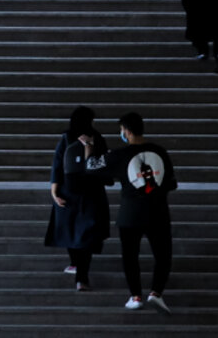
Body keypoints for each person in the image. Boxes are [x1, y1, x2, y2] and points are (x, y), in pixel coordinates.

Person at [84, 111, 177, 312]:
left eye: (122, 130)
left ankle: (135, 296)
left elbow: (90, 166)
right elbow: (172, 183)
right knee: (163, 255)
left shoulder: (120, 155)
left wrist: (88, 146)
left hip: (130, 214)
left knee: (130, 256)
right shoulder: (160, 151)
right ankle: (156, 293)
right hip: (158, 213)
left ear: (126, 131)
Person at [45, 106, 111, 291]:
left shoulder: (75, 138)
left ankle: (81, 275)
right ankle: (79, 272)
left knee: (79, 234)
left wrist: (54, 192)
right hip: (86, 194)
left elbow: (57, 165)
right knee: (79, 235)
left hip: (74, 193)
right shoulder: (93, 138)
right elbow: (100, 165)